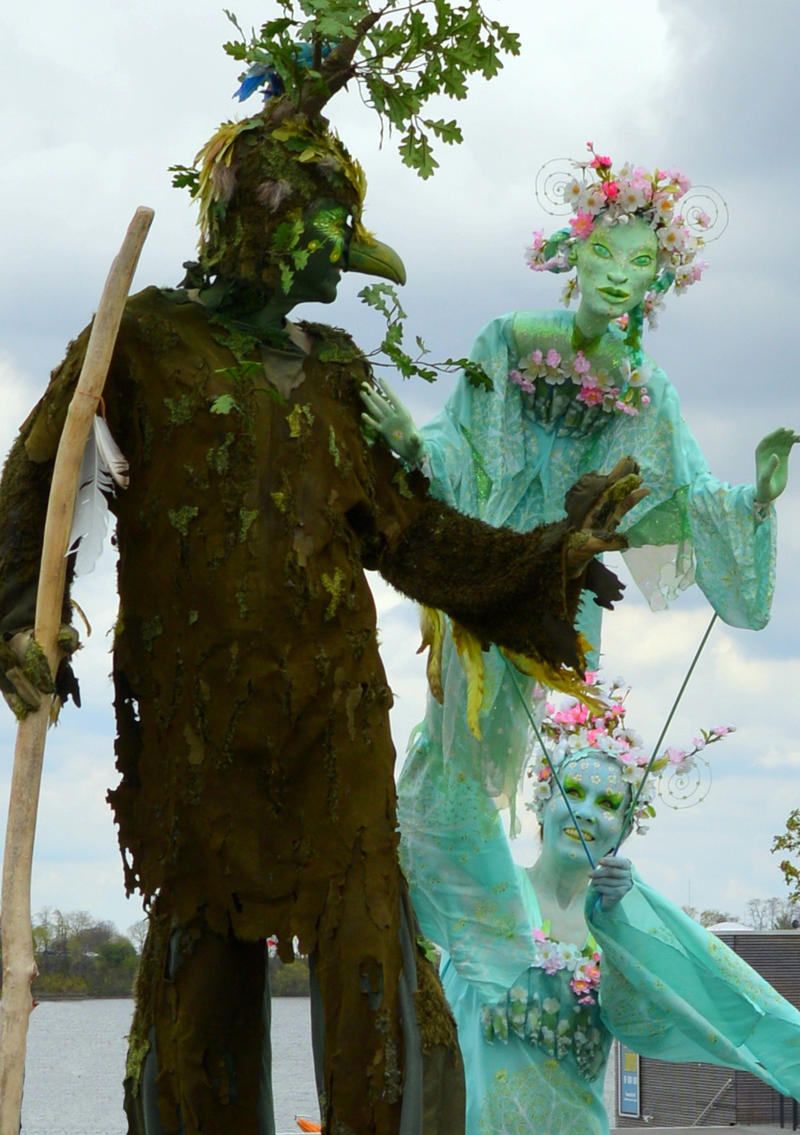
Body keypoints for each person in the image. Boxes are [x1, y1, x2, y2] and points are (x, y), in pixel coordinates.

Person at [0, 77, 647, 1134]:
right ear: (260, 224)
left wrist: (547, 555)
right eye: (327, 224)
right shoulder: (145, 340)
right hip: (194, 725)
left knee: (367, 964)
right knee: (201, 959)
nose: (345, 253)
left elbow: (410, 533)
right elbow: (38, 478)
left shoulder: (332, 368)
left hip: (334, 724)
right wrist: (21, 626)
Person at [363, 148, 798, 805]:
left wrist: (758, 499)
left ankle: (496, 883)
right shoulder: (509, 338)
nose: (620, 275)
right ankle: (434, 861)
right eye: (606, 254)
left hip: (566, 573)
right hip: (487, 553)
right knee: (451, 729)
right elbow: (460, 441)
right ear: (576, 250)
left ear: (660, 277)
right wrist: (412, 445)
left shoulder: (648, 388)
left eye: (641, 262)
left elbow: (689, 490)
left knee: (526, 737)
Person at [397, 686, 800, 1134]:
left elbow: (639, 1025)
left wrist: (618, 925)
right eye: (573, 792)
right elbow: (432, 814)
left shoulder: (621, 927)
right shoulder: (490, 893)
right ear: (543, 801)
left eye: (607, 804)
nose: (585, 812)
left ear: (625, 827)